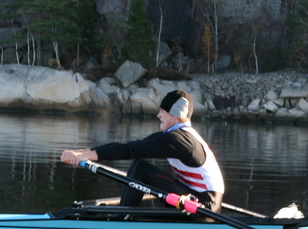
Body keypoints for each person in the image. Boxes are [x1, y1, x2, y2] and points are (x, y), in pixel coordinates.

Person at [60, 90, 225, 211]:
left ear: (176, 115)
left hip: (202, 206)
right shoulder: (178, 136)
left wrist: (87, 155)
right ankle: (125, 215)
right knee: (139, 164)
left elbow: (130, 150)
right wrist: (84, 152)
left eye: (162, 111)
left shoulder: (178, 140)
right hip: (196, 200)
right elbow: (131, 145)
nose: (158, 115)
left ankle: (122, 220)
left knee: (140, 168)